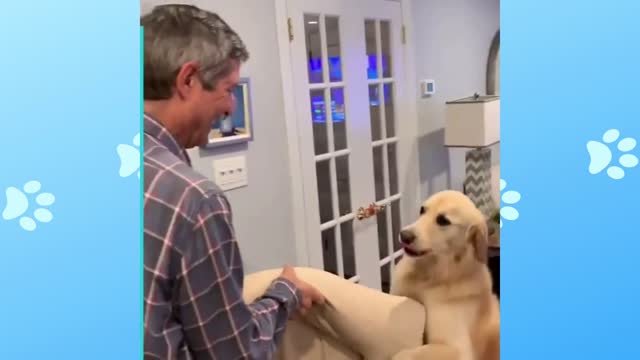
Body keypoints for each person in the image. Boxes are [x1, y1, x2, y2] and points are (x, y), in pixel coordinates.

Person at [141, 5, 325, 359]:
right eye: (228, 89)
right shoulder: (192, 200)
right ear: (188, 80)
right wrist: (285, 292)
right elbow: (234, 353)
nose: (230, 106)